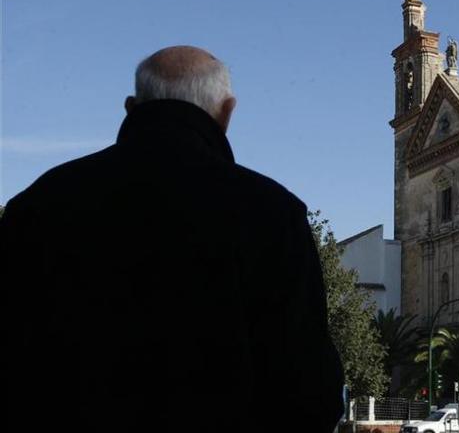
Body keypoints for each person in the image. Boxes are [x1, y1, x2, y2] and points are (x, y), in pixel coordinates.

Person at [1, 46, 344, 432]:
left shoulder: (38, 205)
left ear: (131, 107)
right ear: (226, 112)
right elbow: (309, 388)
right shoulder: (272, 214)